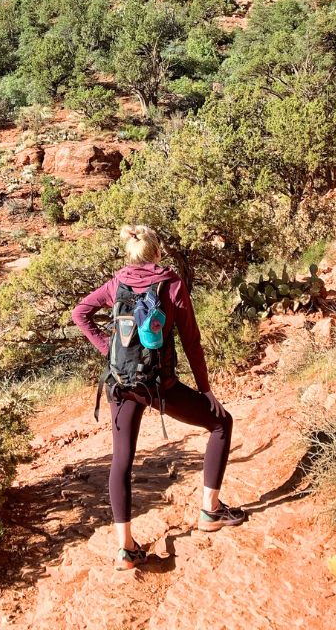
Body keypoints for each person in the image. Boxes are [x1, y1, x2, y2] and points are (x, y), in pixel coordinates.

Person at [71, 223, 245, 570]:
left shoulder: (116, 283)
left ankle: (126, 549)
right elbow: (191, 341)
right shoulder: (172, 284)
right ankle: (210, 510)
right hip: (158, 385)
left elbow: (80, 313)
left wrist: (107, 350)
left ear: (130, 254)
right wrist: (205, 390)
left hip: (121, 384)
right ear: (157, 252)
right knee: (221, 423)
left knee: (121, 460)